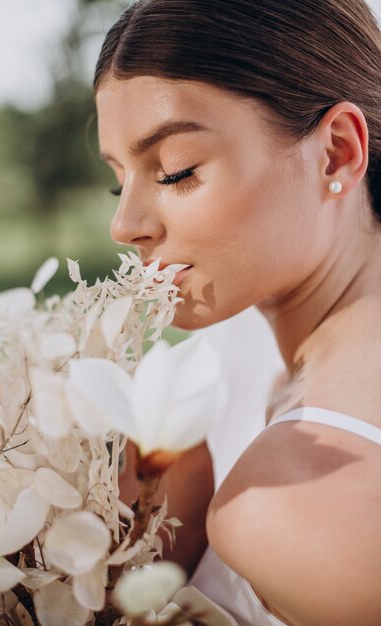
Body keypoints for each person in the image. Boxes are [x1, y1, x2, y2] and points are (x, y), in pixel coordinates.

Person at [93, 1, 381, 624]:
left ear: (335, 152)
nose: (124, 226)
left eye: (175, 172)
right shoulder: (231, 356)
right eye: (120, 181)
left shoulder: (291, 503)